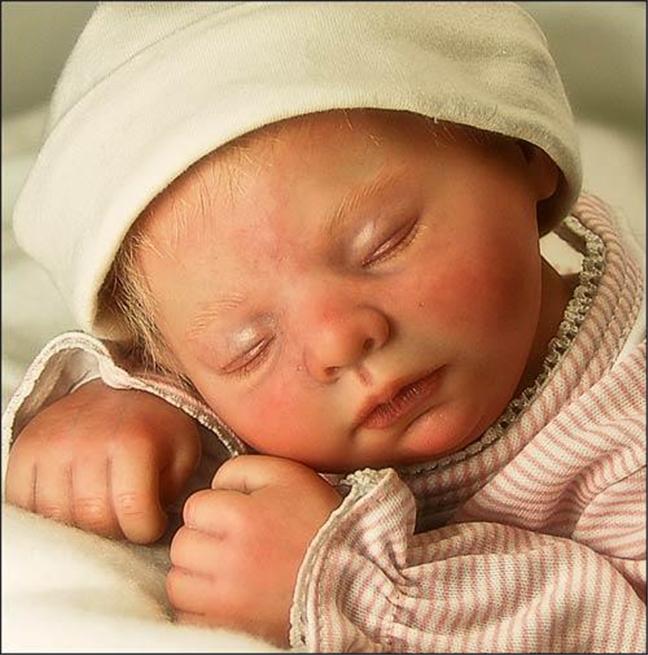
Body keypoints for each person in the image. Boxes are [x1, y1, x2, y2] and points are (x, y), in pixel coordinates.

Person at [2, 2, 645, 652]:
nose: (336, 340)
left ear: (524, 151)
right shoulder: (237, 392)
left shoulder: (627, 432)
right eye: (248, 348)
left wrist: (353, 584)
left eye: (385, 243)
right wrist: (131, 406)